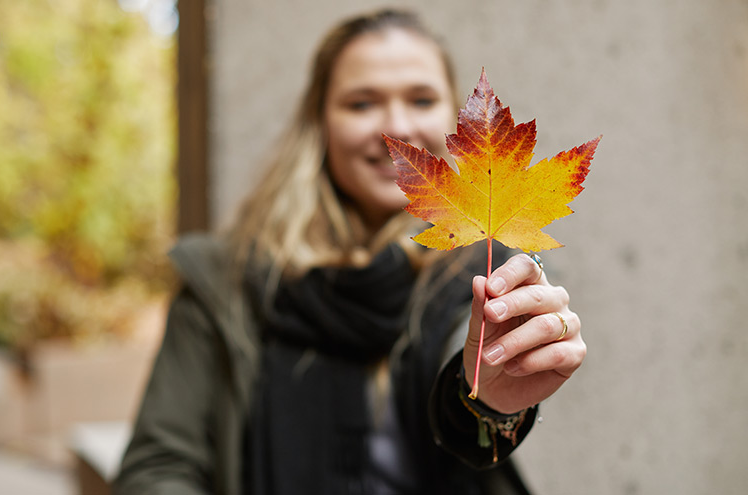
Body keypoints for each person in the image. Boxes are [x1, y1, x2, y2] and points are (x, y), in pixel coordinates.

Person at [113, 8, 585, 495]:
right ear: (319, 121)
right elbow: (158, 469)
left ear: (453, 119)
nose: (396, 126)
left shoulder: (490, 279)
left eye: (422, 99)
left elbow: (473, 441)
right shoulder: (226, 280)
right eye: (362, 103)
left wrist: (489, 408)